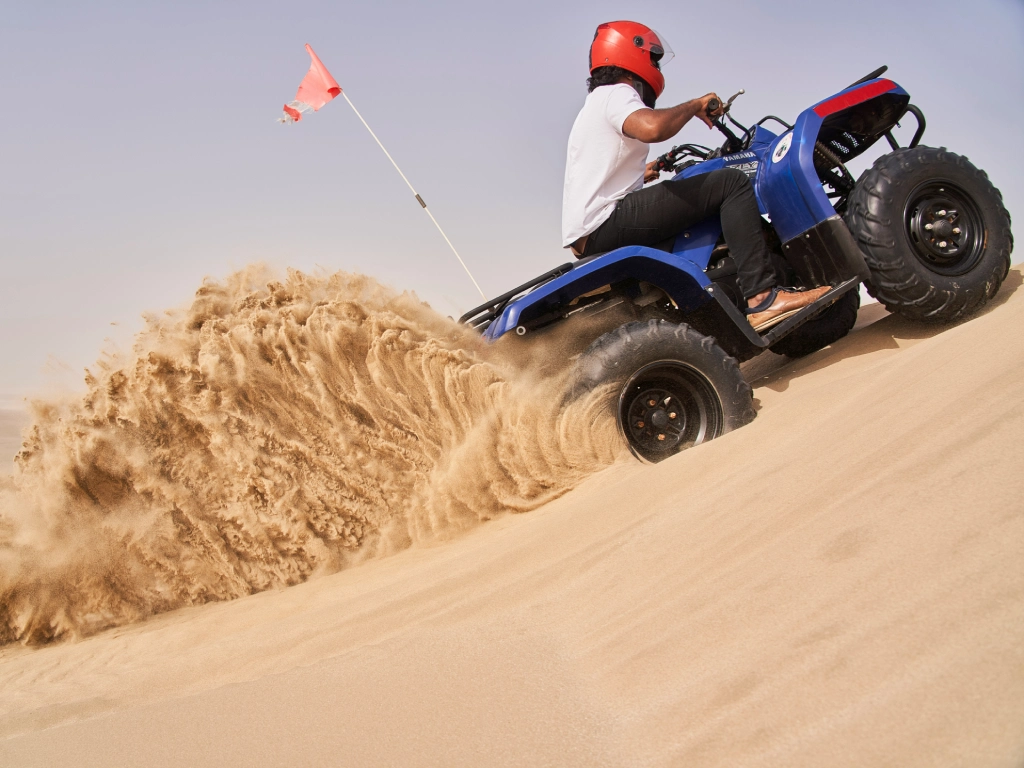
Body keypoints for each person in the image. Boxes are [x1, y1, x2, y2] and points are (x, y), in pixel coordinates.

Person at [562, 20, 831, 330]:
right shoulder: (617, 92)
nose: (656, 66)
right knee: (731, 183)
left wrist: (650, 170)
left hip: (591, 233)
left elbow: (605, 167)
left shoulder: (595, 104)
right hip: (606, 222)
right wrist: (695, 105)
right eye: (653, 58)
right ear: (630, 54)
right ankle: (763, 297)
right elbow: (653, 128)